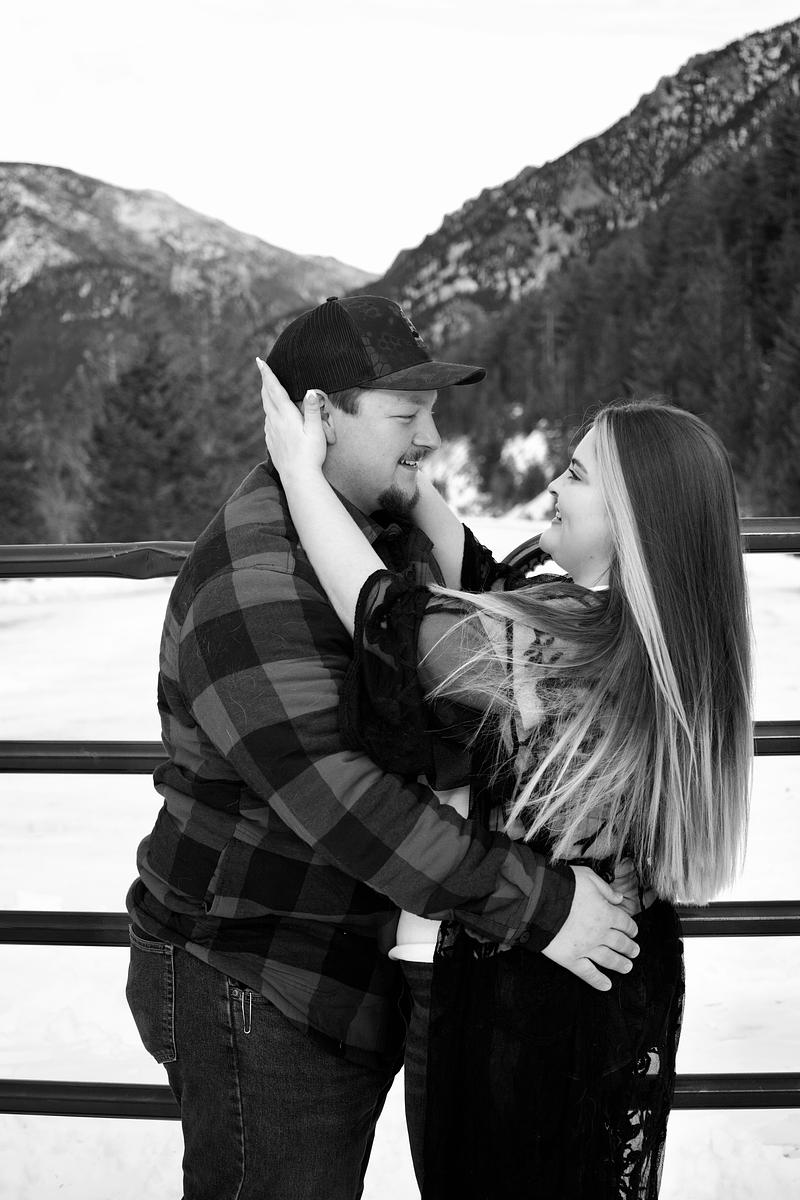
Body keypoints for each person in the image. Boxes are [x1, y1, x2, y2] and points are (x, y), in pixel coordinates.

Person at [125, 295, 640, 1200]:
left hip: (349, 970)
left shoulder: (382, 531)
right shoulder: (256, 577)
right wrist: (542, 905)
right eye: (408, 416)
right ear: (321, 416)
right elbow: (348, 801)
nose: (433, 437)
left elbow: (483, 615)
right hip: (262, 977)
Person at [257, 361, 753, 1200]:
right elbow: (494, 597)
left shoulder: (568, 640)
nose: (552, 487)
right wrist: (412, 485)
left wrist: (301, 471)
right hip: (621, 974)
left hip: (518, 991)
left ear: (632, 519)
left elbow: (390, 618)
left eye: (576, 475)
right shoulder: (658, 640)